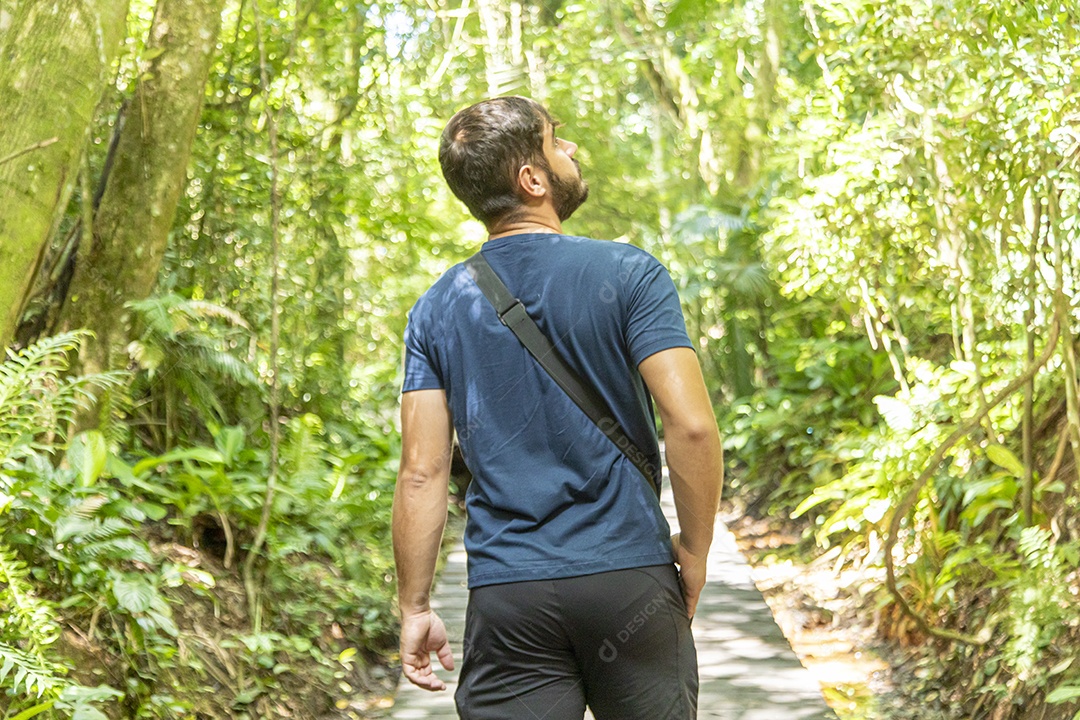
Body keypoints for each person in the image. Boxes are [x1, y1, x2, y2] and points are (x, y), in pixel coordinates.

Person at [392, 96, 724, 720]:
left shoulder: (437, 306)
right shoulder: (630, 273)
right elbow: (692, 427)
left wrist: (414, 607)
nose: (570, 149)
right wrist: (696, 550)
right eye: (555, 140)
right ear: (533, 179)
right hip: (630, 577)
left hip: (509, 594)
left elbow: (421, 472)